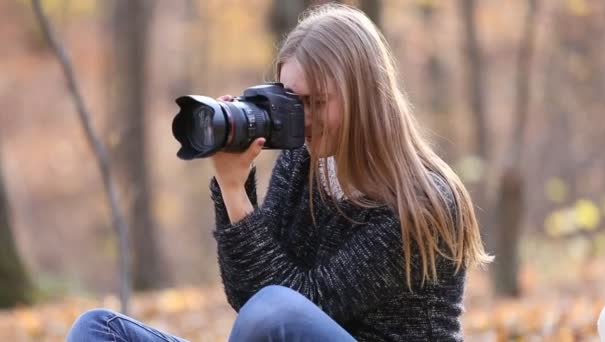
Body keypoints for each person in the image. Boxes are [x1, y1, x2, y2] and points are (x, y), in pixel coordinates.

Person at [67, 3, 492, 341]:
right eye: (291, 100)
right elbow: (246, 298)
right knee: (98, 330)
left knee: (276, 311)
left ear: (365, 97)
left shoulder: (423, 202)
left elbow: (296, 305)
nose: (301, 119)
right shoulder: (301, 162)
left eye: (317, 102)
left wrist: (235, 193)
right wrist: (233, 187)